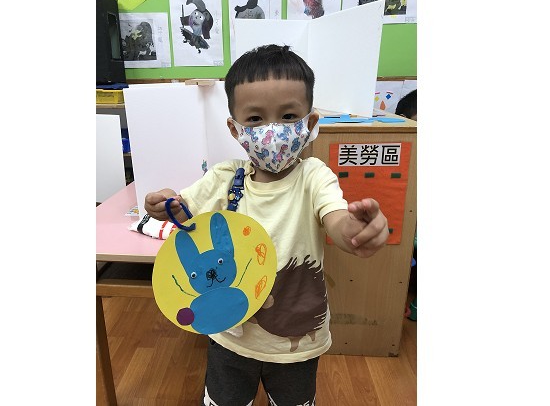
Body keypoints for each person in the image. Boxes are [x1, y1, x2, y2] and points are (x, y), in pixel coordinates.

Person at [144, 44, 389, 406]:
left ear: (310, 123)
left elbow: (337, 219)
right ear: (235, 129)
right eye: (256, 119)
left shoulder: (314, 177)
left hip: (295, 342)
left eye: (288, 116)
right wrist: (164, 205)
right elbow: (186, 215)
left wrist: (355, 230)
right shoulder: (225, 178)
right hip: (229, 335)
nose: (272, 131)